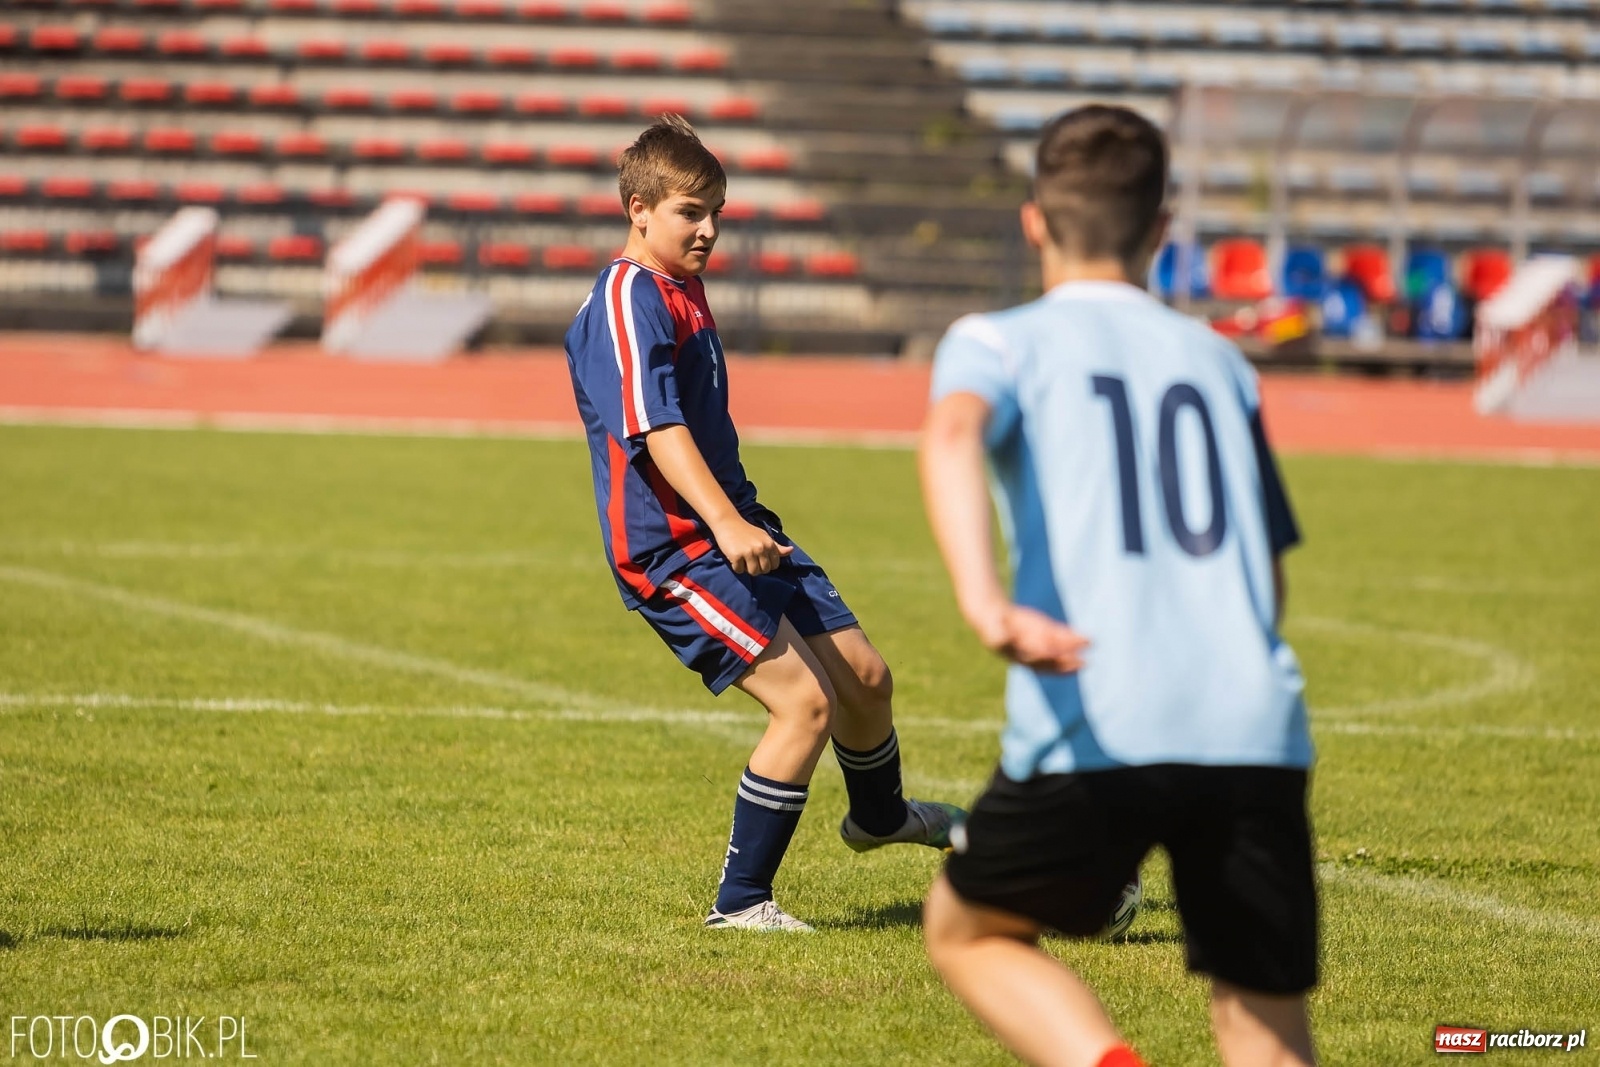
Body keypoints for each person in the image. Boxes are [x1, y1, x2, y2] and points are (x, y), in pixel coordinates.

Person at [918, 104, 1318, 1067]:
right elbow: (1265, 570)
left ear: (1033, 221)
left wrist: (986, 605)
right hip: (1252, 722)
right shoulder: (1223, 363)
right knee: (1261, 1015)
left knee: (968, 930)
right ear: (1162, 229)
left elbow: (952, 434)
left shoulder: (996, 341)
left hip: (1099, 706)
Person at [563, 115, 964, 933]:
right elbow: (657, 428)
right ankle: (741, 903)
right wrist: (722, 522)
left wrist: (740, 520)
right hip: (673, 549)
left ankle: (880, 817)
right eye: (689, 212)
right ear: (638, 209)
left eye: (715, 211)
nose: (708, 229)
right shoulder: (625, 298)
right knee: (806, 705)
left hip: (738, 524)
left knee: (867, 679)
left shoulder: (678, 283)